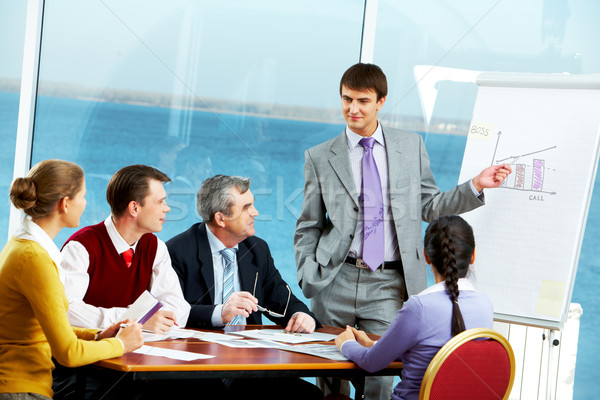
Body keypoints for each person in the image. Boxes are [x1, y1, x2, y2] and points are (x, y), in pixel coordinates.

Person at [294, 62, 511, 399]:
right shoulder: (320, 157)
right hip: (335, 280)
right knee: (329, 380)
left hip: (389, 284)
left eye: (362, 101)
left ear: (381, 101)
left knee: (380, 378)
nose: (353, 109)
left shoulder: (410, 146)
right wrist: (308, 272)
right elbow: (309, 223)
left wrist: (475, 186)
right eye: (346, 99)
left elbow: (429, 205)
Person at [166, 174, 322, 400]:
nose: (255, 212)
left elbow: (282, 298)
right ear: (221, 218)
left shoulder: (257, 249)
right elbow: (169, 316)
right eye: (247, 207)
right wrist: (220, 313)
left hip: (249, 366)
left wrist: (301, 315)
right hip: (197, 368)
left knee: (309, 395)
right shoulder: (178, 252)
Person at [0, 159, 143, 400]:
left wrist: (98, 336)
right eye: (83, 196)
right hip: (21, 389)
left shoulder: (21, 245)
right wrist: (121, 345)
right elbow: (68, 353)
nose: (86, 203)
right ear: (65, 204)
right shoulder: (35, 259)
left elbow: (42, 329)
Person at [334, 215, 494, 400]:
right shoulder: (485, 306)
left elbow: (371, 363)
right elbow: (437, 354)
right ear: (473, 255)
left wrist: (346, 343)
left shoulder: (419, 307)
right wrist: (374, 345)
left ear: (426, 256)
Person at [59, 164, 190, 332]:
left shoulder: (156, 247)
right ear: (134, 208)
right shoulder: (80, 247)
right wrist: (133, 319)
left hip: (137, 349)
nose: (167, 208)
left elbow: (178, 308)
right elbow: (67, 311)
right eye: (160, 202)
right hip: (90, 351)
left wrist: (144, 320)